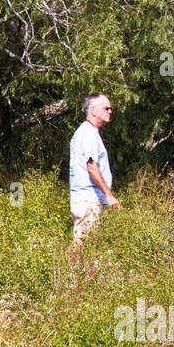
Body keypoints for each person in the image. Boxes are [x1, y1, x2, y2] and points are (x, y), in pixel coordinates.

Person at [69, 94, 119, 250]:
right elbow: (92, 167)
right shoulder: (88, 133)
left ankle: (83, 273)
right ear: (93, 110)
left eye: (110, 108)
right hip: (88, 199)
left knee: (90, 245)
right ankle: (72, 273)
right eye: (106, 108)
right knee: (82, 244)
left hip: (89, 198)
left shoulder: (89, 132)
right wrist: (109, 196)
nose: (110, 111)